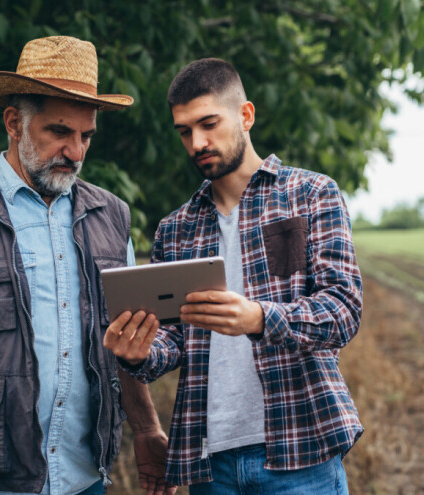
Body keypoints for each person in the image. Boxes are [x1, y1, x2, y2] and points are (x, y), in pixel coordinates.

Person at [0, 36, 173, 495]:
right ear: (14, 123)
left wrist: (145, 429)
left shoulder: (112, 216)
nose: (77, 152)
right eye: (60, 132)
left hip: (83, 481)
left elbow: (126, 338)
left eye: (86, 136)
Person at [103, 58, 364, 494]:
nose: (196, 142)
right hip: (209, 462)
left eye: (208, 124)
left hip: (301, 450)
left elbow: (344, 310)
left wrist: (260, 318)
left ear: (245, 116)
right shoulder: (175, 227)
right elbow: (174, 343)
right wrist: (138, 352)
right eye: (184, 131)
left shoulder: (312, 194)